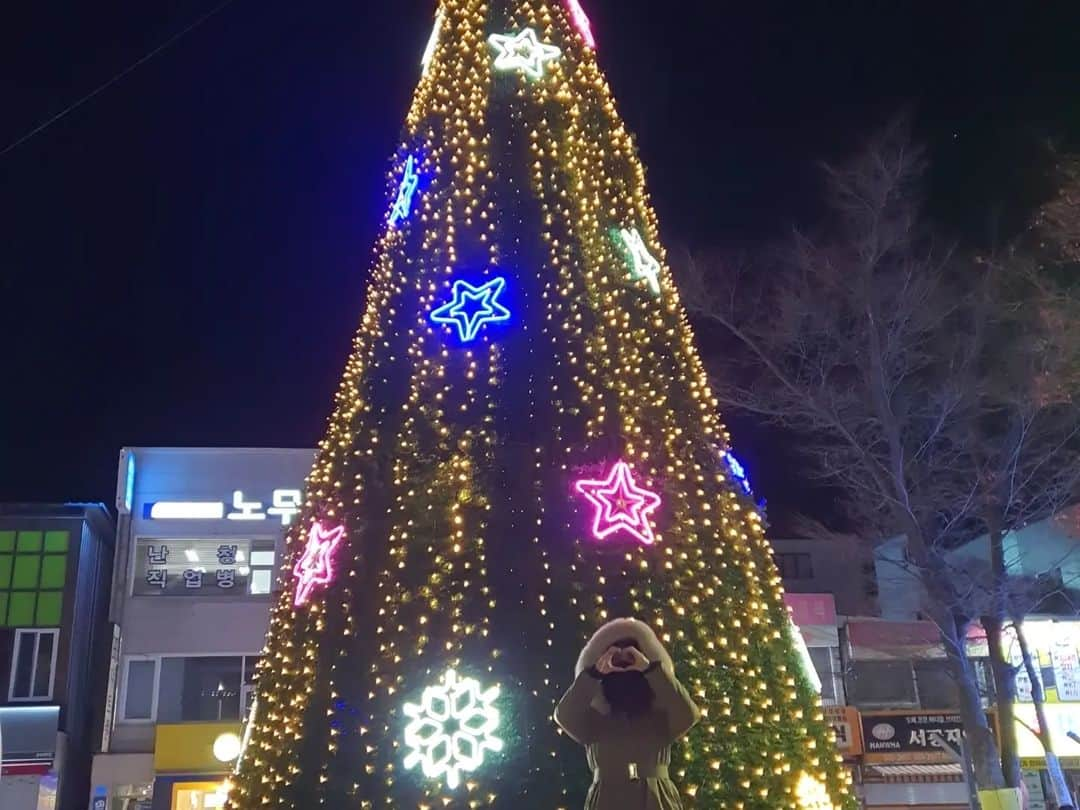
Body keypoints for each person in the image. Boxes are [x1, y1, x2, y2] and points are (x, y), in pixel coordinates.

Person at [555, 618, 700, 810]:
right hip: (607, 800)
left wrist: (650, 669)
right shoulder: (595, 720)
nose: (623, 668)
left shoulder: (660, 716)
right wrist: (595, 673)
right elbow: (564, 715)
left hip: (656, 800)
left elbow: (688, 714)